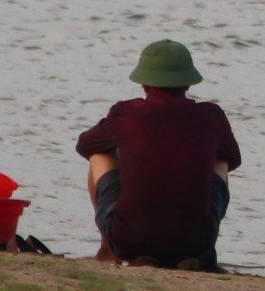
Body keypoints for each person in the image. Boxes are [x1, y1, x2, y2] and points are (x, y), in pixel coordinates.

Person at [77, 39, 241, 270]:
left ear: (144, 84)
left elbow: (85, 145)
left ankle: (110, 248)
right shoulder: (211, 116)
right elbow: (232, 158)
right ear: (188, 84)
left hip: (128, 240)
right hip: (196, 242)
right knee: (220, 159)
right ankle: (193, 257)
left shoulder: (126, 114)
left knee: (99, 152)